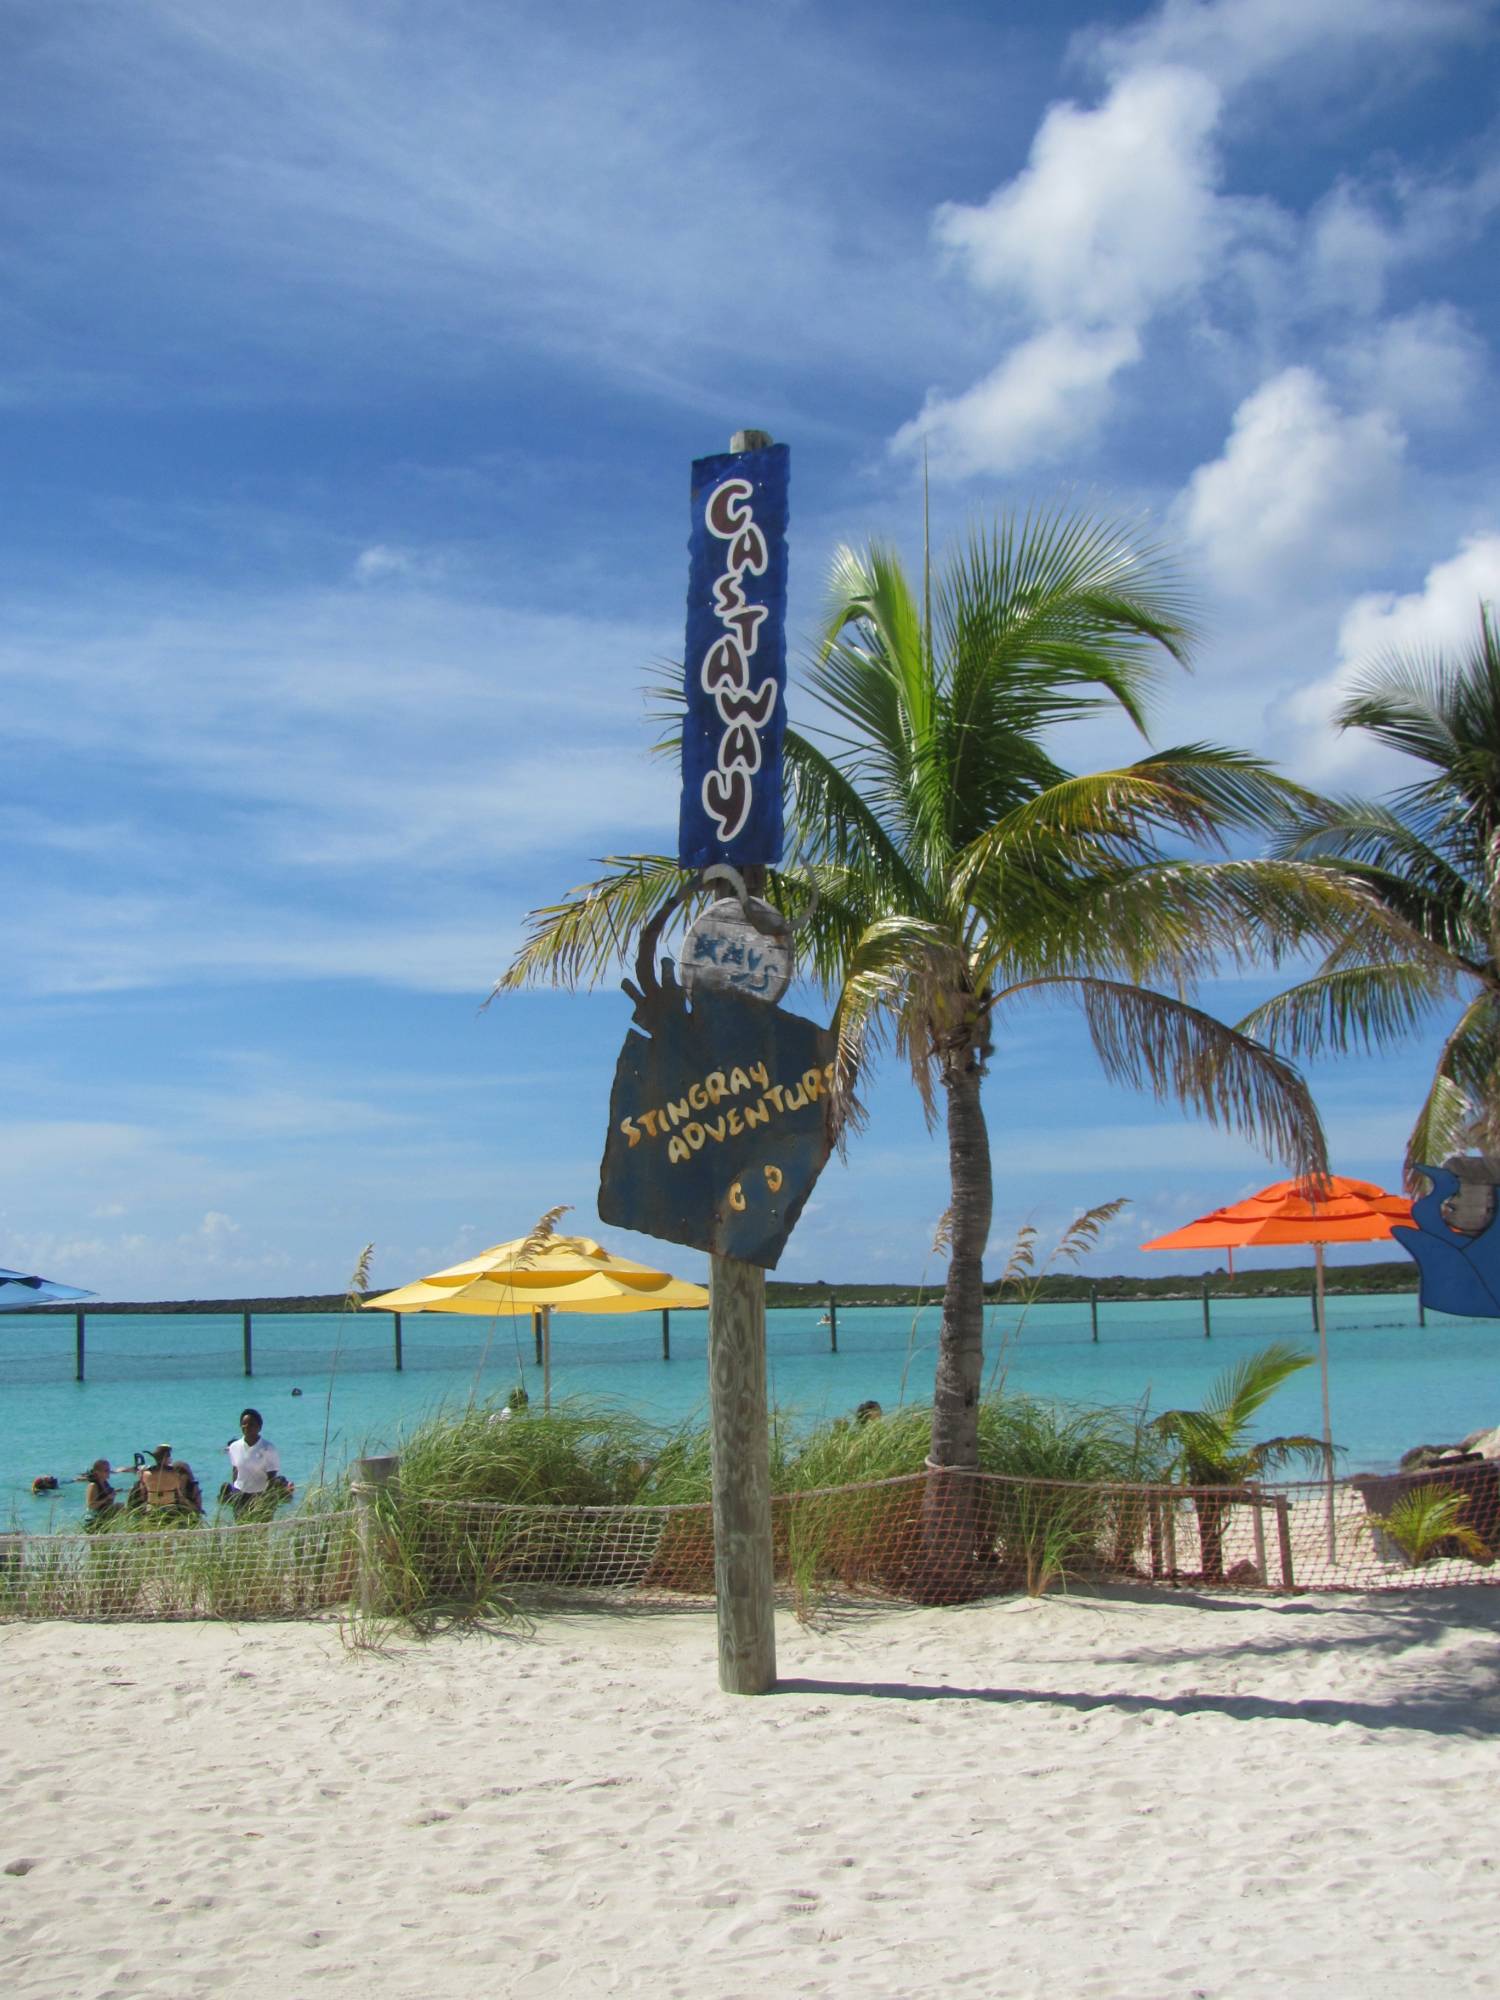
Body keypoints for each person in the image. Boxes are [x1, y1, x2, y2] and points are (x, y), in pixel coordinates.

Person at [222, 1408, 293, 1515]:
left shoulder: (268, 1448)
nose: (247, 1427)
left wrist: (264, 1499)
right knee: (241, 1530)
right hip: (240, 1496)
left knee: (261, 1530)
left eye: (251, 1424)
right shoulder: (234, 1447)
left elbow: (272, 1477)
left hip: (262, 1496)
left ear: (259, 1427)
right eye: (244, 1424)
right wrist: (235, 1493)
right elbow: (235, 1470)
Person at [133, 1444, 201, 1513]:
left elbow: (143, 1494)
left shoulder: (145, 1474)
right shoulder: (174, 1474)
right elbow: (180, 1496)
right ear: (166, 1458)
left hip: (151, 1509)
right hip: (170, 1509)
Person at [81, 1458, 119, 1528]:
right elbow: (91, 1505)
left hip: (105, 1519)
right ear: (97, 1472)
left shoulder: (105, 1483)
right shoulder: (93, 1485)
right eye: (106, 1470)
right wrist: (107, 1498)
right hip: (94, 1521)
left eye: (109, 1470)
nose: (108, 1472)